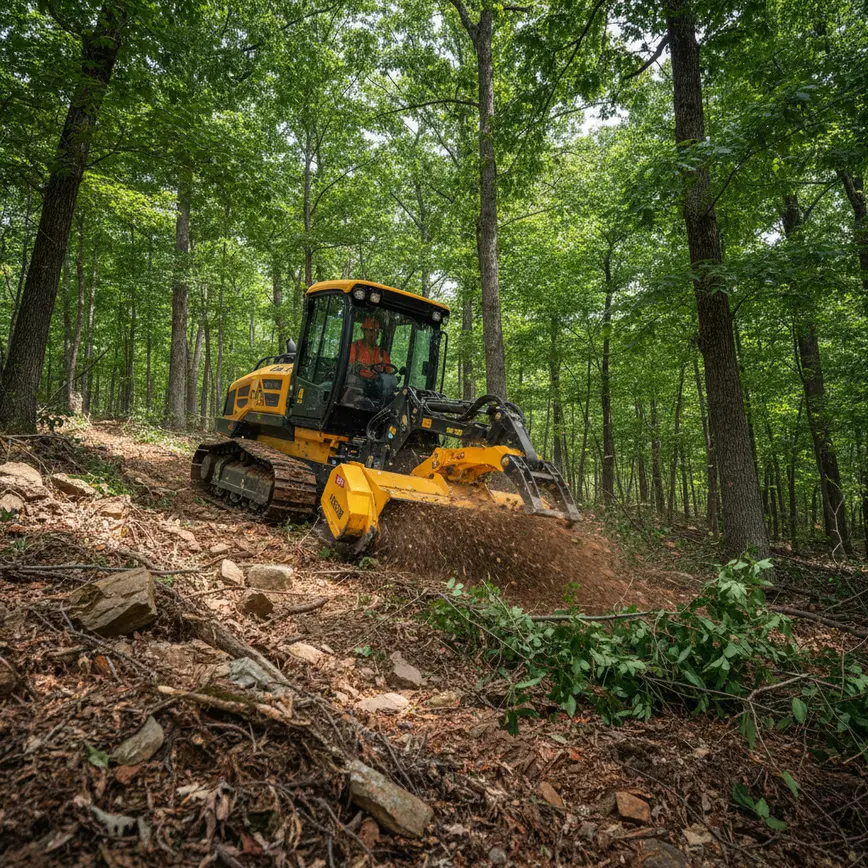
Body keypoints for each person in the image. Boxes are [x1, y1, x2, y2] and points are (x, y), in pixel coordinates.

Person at [347, 317, 395, 405]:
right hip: (357, 385)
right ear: (363, 331)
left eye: (375, 331)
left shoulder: (382, 353)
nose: (372, 334)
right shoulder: (354, 347)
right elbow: (347, 367)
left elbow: (389, 372)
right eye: (369, 330)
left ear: (378, 334)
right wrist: (357, 366)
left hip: (374, 387)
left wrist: (384, 373)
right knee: (352, 380)